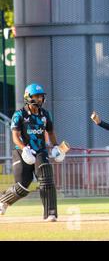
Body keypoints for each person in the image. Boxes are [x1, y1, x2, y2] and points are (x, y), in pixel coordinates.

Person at [0, 84, 67, 221]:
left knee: (46, 179)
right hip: (21, 151)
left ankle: (51, 213)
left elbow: (51, 132)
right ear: (28, 98)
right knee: (23, 185)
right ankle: (3, 201)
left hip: (40, 151)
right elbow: (15, 136)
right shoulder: (19, 114)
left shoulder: (45, 114)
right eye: (36, 96)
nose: (40, 99)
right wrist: (24, 148)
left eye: (41, 96)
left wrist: (56, 147)